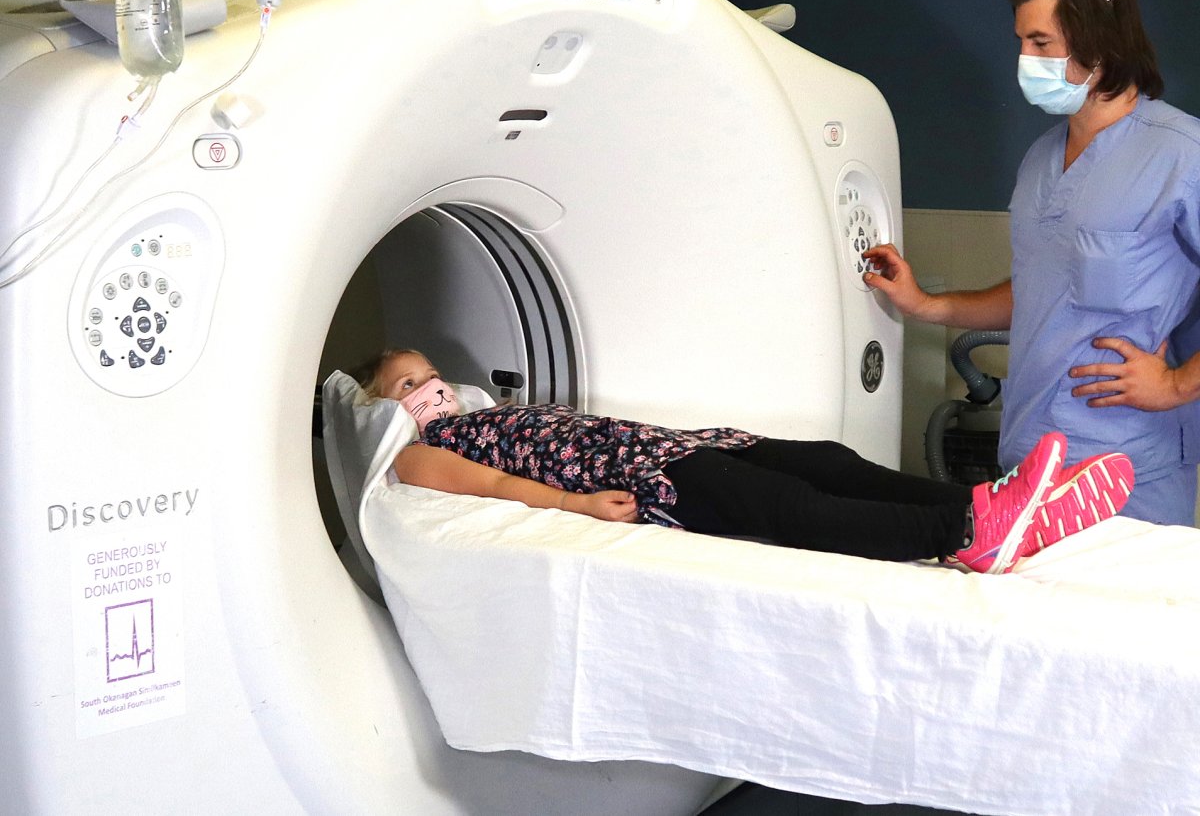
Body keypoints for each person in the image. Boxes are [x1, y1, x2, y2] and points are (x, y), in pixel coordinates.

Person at [864, 0, 1200, 527]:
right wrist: (927, 305)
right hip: (1028, 461)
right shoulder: (1041, 157)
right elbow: (1045, 291)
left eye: (1042, 44)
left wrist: (1173, 384)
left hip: (1127, 473)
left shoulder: (1180, 153)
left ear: (1101, 45)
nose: (1025, 60)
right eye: (1022, 42)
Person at [355, 349, 1134, 575]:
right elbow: (491, 485)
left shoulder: (486, 412)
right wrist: (575, 507)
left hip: (685, 445)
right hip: (649, 482)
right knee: (794, 508)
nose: (429, 390)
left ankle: (994, 499)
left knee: (828, 459)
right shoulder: (425, 452)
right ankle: (968, 528)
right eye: (407, 386)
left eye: (429, 377)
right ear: (386, 408)